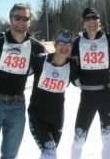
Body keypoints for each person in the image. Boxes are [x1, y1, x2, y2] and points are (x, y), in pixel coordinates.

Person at [0, 3, 46, 159]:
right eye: (17, 17)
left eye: (25, 18)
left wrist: (72, 58)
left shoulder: (36, 47)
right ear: (10, 19)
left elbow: (51, 64)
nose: (21, 21)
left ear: (30, 21)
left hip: (17, 105)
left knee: (10, 154)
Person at [70, 7, 110, 159]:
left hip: (106, 95)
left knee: (107, 138)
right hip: (87, 97)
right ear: (83, 23)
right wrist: (74, 78)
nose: (92, 22)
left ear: (100, 21)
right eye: (88, 19)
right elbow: (69, 64)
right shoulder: (77, 42)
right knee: (79, 139)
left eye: (95, 18)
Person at [27, 30, 79, 159]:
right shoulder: (40, 60)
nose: (65, 47)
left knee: (48, 154)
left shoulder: (72, 66)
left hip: (57, 118)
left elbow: (80, 83)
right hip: (37, 116)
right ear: (55, 44)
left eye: (68, 43)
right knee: (51, 153)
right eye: (61, 43)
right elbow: (21, 73)